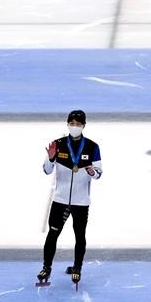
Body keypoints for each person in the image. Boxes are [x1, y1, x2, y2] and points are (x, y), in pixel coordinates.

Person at [38, 110, 102, 286]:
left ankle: (77, 268)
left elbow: (99, 173)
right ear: (67, 124)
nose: (75, 126)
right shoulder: (58, 145)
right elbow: (47, 170)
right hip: (60, 200)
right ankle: (46, 268)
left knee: (80, 236)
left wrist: (92, 172)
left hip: (81, 202)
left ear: (84, 126)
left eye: (78, 124)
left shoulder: (92, 146)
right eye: (72, 123)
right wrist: (51, 158)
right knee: (52, 234)